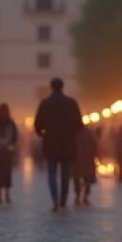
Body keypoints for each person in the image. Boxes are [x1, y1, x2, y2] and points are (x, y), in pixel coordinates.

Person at [33, 77, 84, 211]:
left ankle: (55, 200)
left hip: (51, 144)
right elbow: (79, 124)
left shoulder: (45, 104)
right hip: (68, 144)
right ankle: (63, 199)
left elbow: (37, 125)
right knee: (65, 173)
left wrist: (44, 134)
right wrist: (71, 134)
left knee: (52, 173)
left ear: (51, 87)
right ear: (62, 87)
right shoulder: (71, 103)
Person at [73, 125, 99, 205]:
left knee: (77, 178)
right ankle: (85, 196)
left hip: (77, 160)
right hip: (88, 160)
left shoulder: (75, 135)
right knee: (87, 179)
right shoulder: (90, 135)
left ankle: (77, 195)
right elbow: (95, 147)